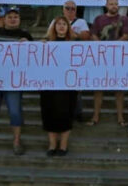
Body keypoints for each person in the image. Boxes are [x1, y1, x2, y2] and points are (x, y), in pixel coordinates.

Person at [0, 8, 32, 157]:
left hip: (14, 81)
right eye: (10, 17)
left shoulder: (25, 35)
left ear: (19, 20)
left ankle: (16, 142)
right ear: (4, 19)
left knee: (15, 111)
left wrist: (28, 44)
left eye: (16, 17)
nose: (13, 19)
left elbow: (35, 57)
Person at [88, 0, 128, 126]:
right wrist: (102, 46)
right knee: (99, 88)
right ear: (106, 5)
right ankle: (95, 117)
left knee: (119, 89)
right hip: (101, 57)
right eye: (111, 4)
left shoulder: (124, 19)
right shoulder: (99, 19)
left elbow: (126, 36)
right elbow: (93, 34)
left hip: (118, 58)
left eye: (116, 4)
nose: (114, 6)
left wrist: (113, 46)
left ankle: (120, 118)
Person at [40, 16, 77, 156]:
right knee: (49, 112)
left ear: (68, 27)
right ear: (53, 27)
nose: (61, 26)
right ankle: (52, 145)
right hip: (49, 84)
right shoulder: (46, 43)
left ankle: (63, 145)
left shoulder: (76, 44)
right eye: (58, 24)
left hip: (68, 85)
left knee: (66, 113)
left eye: (64, 24)